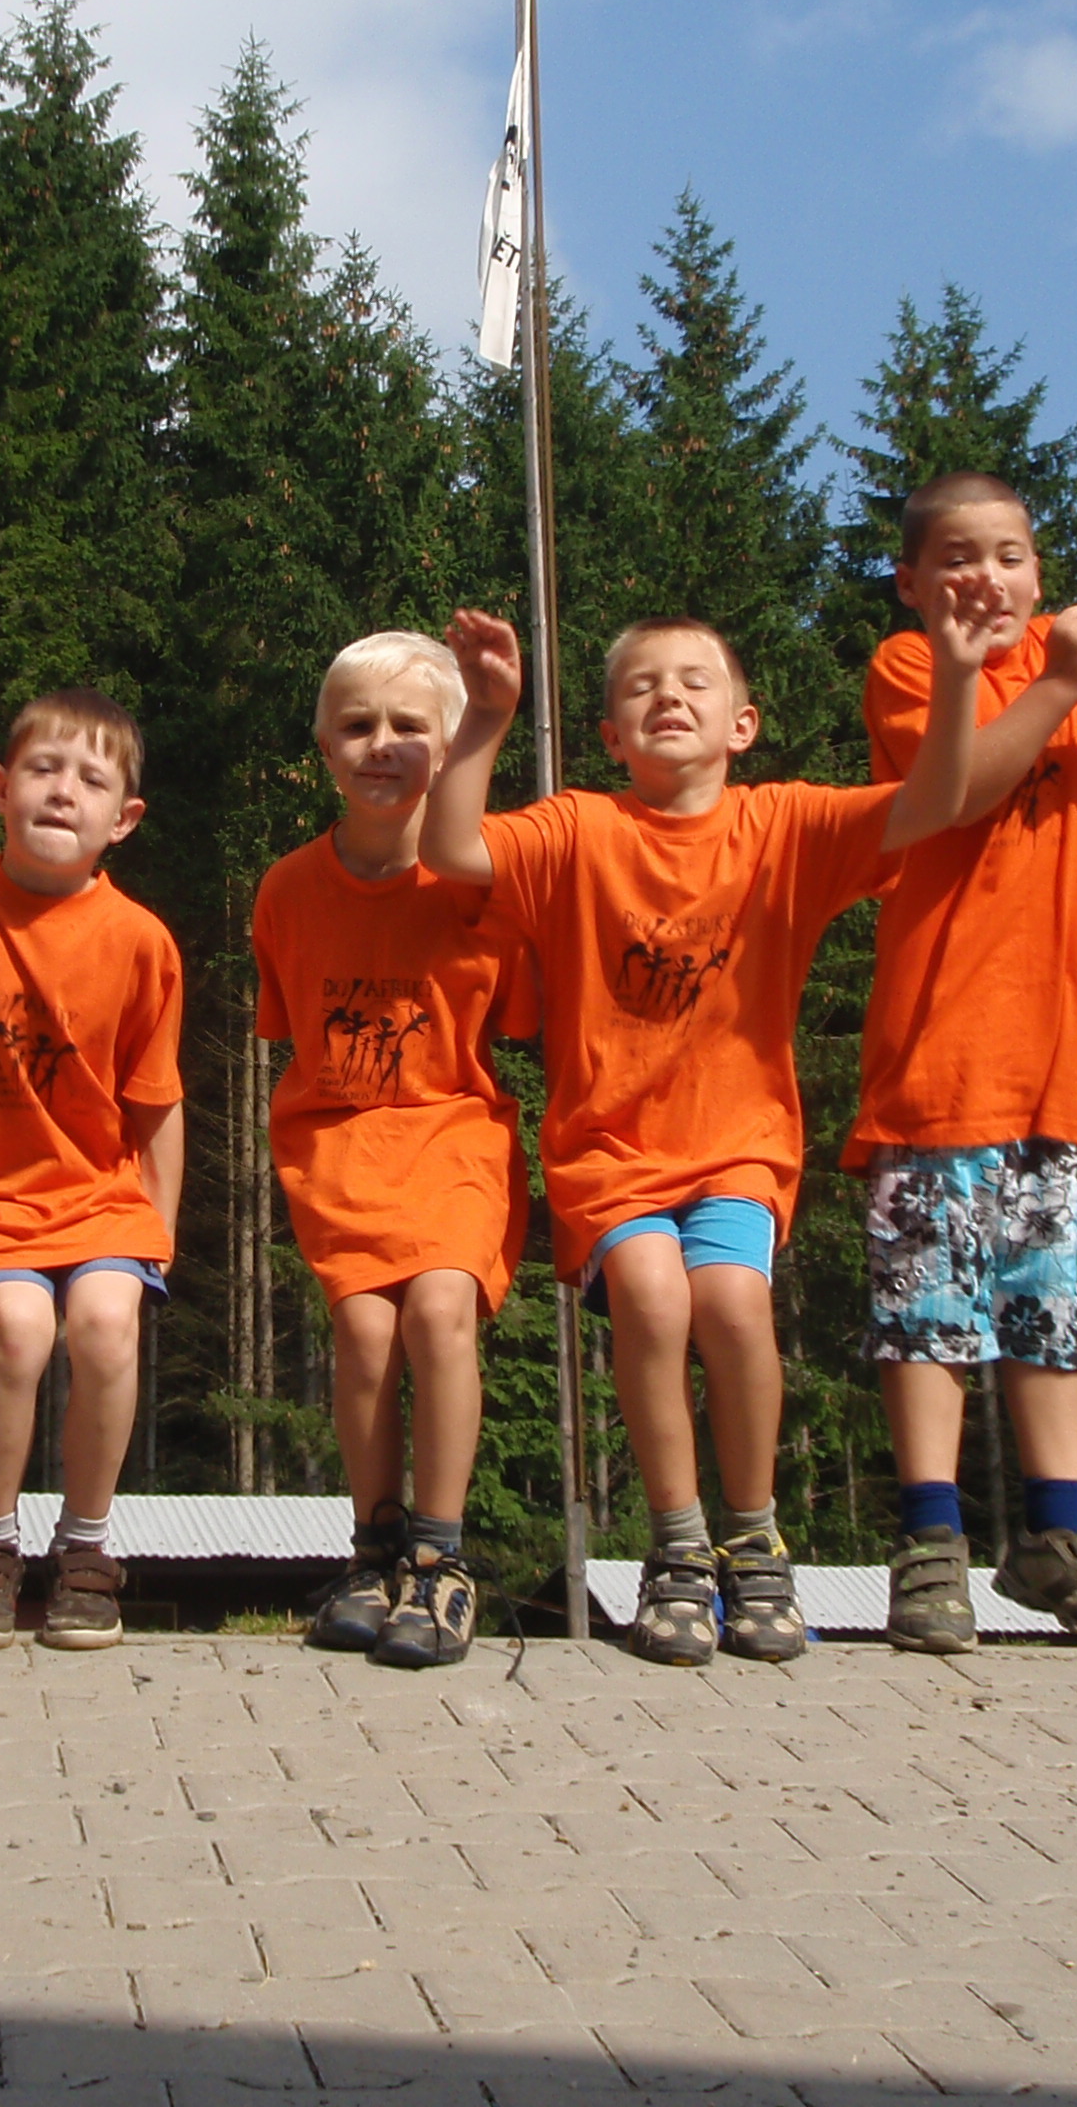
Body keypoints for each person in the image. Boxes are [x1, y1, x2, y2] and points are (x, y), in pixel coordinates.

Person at [422, 587, 993, 1667]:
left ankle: (754, 1537)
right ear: (610, 735)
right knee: (651, 1294)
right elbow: (451, 850)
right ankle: (678, 1547)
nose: (669, 698)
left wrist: (958, 676)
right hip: (609, 1155)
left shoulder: (785, 826)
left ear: (743, 724)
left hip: (739, 1145)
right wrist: (487, 717)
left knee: (730, 1300)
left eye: (695, 683)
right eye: (642, 688)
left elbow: (936, 800)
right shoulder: (580, 829)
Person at [849, 471, 1077, 1659]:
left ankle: (1059, 1533)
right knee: (928, 1309)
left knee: (1051, 1307)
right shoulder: (912, 665)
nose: (985, 577)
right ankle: (931, 1538)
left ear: (1040, 571)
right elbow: (956, 794)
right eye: (956, 557)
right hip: (942, 1053)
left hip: (1064, 1060)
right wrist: (1060, 684)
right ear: (912, 581)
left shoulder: (1075, 658)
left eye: (1008, 555)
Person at [0, 689, 185, 1654]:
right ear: (1, 787)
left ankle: (86, 1553)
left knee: (104, 1321)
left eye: (92, 780)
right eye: (44, 769)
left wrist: (159, 1233)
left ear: (123, 819)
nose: (63, 792)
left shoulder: (142, 940)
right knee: (16, 1330)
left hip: (103, 1197)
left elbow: (156, 1103)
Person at [252, 633, 530, 1669]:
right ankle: (372, 1552)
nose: (381, 744)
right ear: (323, 744)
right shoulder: (287, 890)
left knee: (440, 1311)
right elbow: (293, 1030)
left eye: (410, 725)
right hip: (340, 1146)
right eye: (358, 725)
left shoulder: (480, 882)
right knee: (366, 1335)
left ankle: (440, 1559)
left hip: (452, 1130)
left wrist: (496, 712)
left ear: (449, 745)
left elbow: (517, 1016)